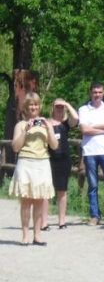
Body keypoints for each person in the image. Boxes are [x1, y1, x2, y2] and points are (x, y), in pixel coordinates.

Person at [9, 92, 59, 246]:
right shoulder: (20, 125)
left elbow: (54, 146)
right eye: (31, 104)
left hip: (42, 163)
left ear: (39, 106)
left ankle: (37, 235)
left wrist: (49, 128)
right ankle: (25, 235)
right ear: (26, 107)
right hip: (26, 162)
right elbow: (15, 147)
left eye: (36, 104)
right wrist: (26, 130)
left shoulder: (47, 124)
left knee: (39, 200)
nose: (33, 107)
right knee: (26, 201)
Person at [78, 82, 104, 226]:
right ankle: (95, 215)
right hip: (90, 151)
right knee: (92, 185)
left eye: (100, 92)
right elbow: (84, 130)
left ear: (103, 93)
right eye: (95, 92)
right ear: (90, 92)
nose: (97, 95)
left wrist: (95, 126)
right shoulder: (84, 109)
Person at [40, 98, 79, 230]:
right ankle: (44, 222)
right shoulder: (46, 123)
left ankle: (61, 221)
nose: (60, 109)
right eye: (57, 106)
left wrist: (67, 104)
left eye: (62, 107)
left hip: (64, 159)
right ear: (53, 108)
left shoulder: (66, 123)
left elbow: (76, 118)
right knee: (47, 191)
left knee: (62, 190)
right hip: (49, 159)